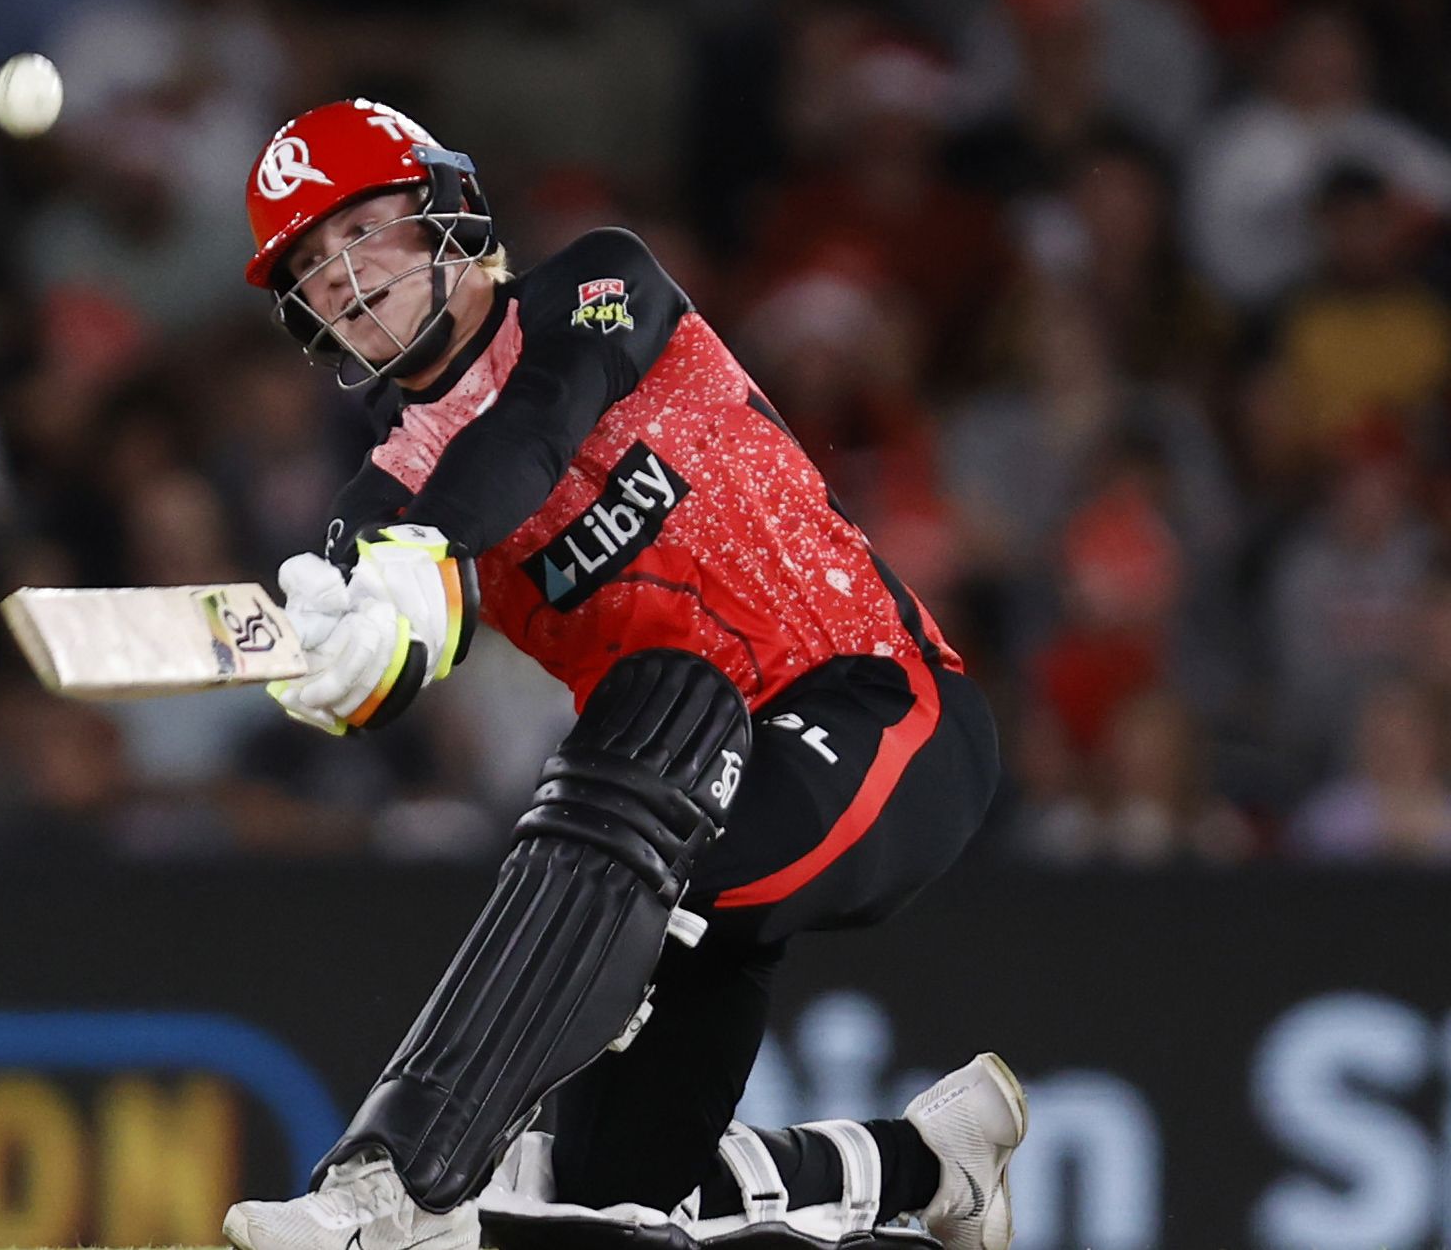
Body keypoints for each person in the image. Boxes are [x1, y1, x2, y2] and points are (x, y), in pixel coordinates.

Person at [220, 100, 1020, 1250]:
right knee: (616, 1204)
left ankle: (399, 1178)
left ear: (446, 208)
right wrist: (343, 662)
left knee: (651, 716)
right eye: (307, 266)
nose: (339, 280)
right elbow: (400, 644)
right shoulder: (380, 507)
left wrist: (425, 552)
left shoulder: (601, 283)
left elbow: (533, 426)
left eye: (360, 232)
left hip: (881, 714)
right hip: (674, 809)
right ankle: (923, 1163)